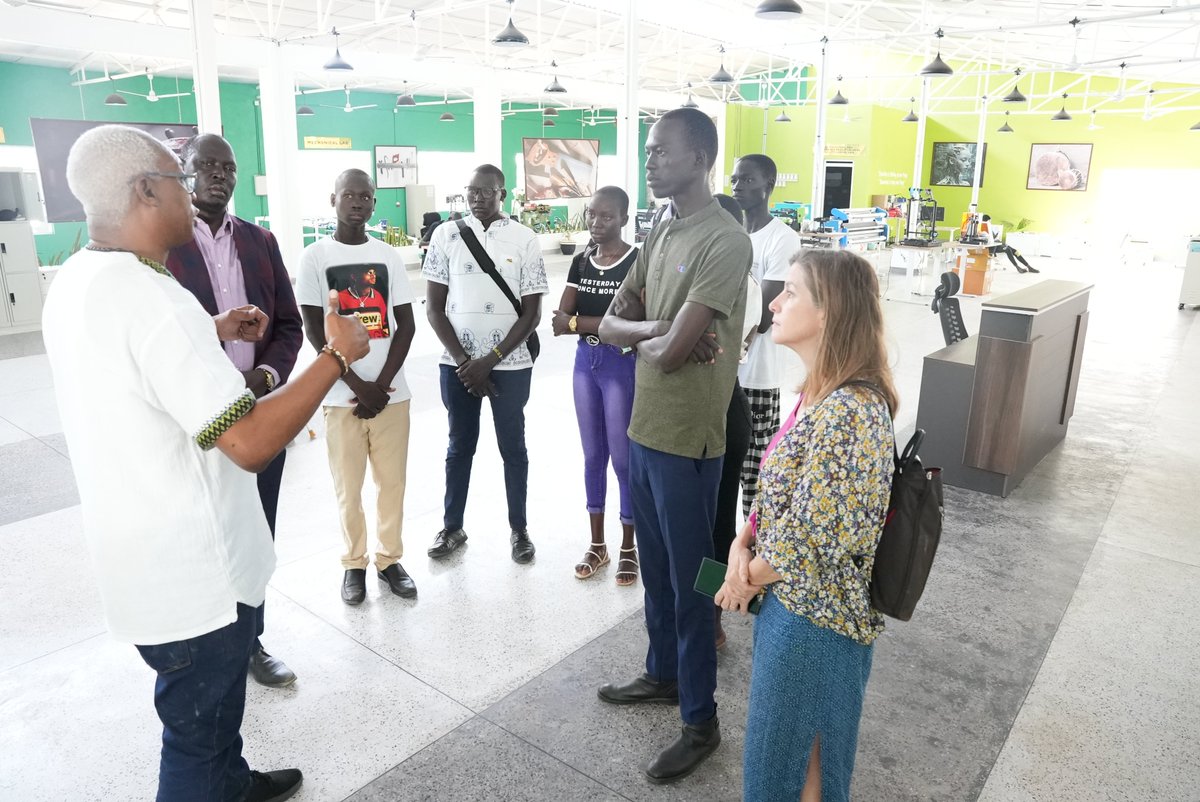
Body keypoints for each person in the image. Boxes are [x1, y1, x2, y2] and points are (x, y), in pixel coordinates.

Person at [43, 124, 369, 802]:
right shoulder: (155, 300)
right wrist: (335, 356)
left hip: (139, 554)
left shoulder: (80, 279)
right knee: (195, 735)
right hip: (196, 576)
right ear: (145, 191)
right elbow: (248, 442)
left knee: (213, 717)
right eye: (179, 181)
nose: (191, 195)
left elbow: (134, 370)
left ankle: (234, 783)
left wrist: (210, 329)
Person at [596, 107, 751, 784]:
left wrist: (652, 337)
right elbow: (611, 323)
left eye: (661, 150)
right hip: (644, 432)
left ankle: (701, 720)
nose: (650, 160)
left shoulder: (725, 240)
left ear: (700, 158)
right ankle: (662, 674)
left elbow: (665, 352)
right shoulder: (661, 226)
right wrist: (658, 329)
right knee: (657, 575)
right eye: (649, 150)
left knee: (695, 586)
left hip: (692, 443)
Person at [716, 249, 897, 802]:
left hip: (818, 623)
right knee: (788, 759)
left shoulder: (851, 410)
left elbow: (818, 535)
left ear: (828, 312)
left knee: (796, 769)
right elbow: (780, 497)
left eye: (791, 292)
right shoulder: (820, 394)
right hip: (792, 609)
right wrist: (741, 543)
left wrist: (744, 578)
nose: (774, 303)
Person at [166, 133, 304, 689]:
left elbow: (289, 325)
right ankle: (204, 643)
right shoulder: (165, 244)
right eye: (207, 165)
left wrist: (263, 378)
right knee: (204, 532)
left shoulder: (260, 241)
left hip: (259, 412)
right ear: (185, 170)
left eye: (228, 167)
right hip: (197, 421)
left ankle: (251, 641)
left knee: (257, 531)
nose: (218, 175)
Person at [296, 169, 418, 606]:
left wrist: (380, 386)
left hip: (391, 395)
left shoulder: (387, 255)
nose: (357, 203)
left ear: (373, 203)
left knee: (392, 484)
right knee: (348, 488)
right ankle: (353, 563)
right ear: (333, 199)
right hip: (339, 395)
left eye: (365, 197)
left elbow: (406, 325)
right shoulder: (315, 256)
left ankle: (389, 560)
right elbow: (314, 330)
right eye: (349, 195)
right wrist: (355, 383)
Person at [422, 164, 548, 564]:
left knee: (513, 447)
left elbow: (532, 314)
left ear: (502, 194)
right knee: (459, 446)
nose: (477, 198)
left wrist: (490, 360)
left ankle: (520, 530)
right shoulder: (445, 235)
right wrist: (466, 363)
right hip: (456, 365)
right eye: (471, 191)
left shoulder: (525, 238)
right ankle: (452, 527)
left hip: (511, 365)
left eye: (486, 191)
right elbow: (434, 308)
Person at [549, 186, 638, 584]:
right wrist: (596, 325)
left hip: (622, 366)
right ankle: (598, 544)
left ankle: (629, 546)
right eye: (591, 215)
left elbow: (631, 325)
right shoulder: (581, 261)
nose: (596, 223)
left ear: (624, 219)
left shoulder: (636, 262)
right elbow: (559, 320)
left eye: (606, 216)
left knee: (623, 459)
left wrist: (581, 324)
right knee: (592, 456)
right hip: (586, 364)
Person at [731, 154, 803, 520]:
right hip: (721, 374)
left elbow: (762, 318)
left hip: (757, 376)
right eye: (734, 180)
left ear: (768, 185)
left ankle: (755, 545)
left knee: (755, 475)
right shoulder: (730, 235)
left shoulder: (782, 239)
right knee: (722, 469)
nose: (737, 187)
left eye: (747, 180)